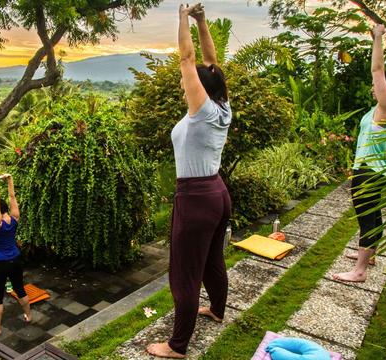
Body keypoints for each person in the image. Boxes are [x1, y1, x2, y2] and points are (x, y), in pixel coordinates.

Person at [147, 3, 232, 358]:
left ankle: (176, 345)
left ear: (201, 87)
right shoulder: (223, 106)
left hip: (196, 197)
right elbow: (211, 63)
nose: (189, 81)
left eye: (195, 78)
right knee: (212, 258)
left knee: (184, 270)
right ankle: (216, 309)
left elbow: (187, 58)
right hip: (217, 192)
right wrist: (201, 21)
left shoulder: (202, 112)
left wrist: (182, 16)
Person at [333, 24, 386, 282]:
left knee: (366, 218)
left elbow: (377, 69)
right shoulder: (379, 108)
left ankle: (360, 271)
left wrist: (377, 38)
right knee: (373, 214)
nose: (373, 87)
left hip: (369, 171)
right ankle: (369, 254)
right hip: (371, 169)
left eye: (377, 85)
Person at [0, 173, 32, 337]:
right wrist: (10, 180)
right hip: (16, 260)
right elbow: (12, 196)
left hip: (0, 264)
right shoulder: (15, 218)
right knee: (20, 289)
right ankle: (29, 315)